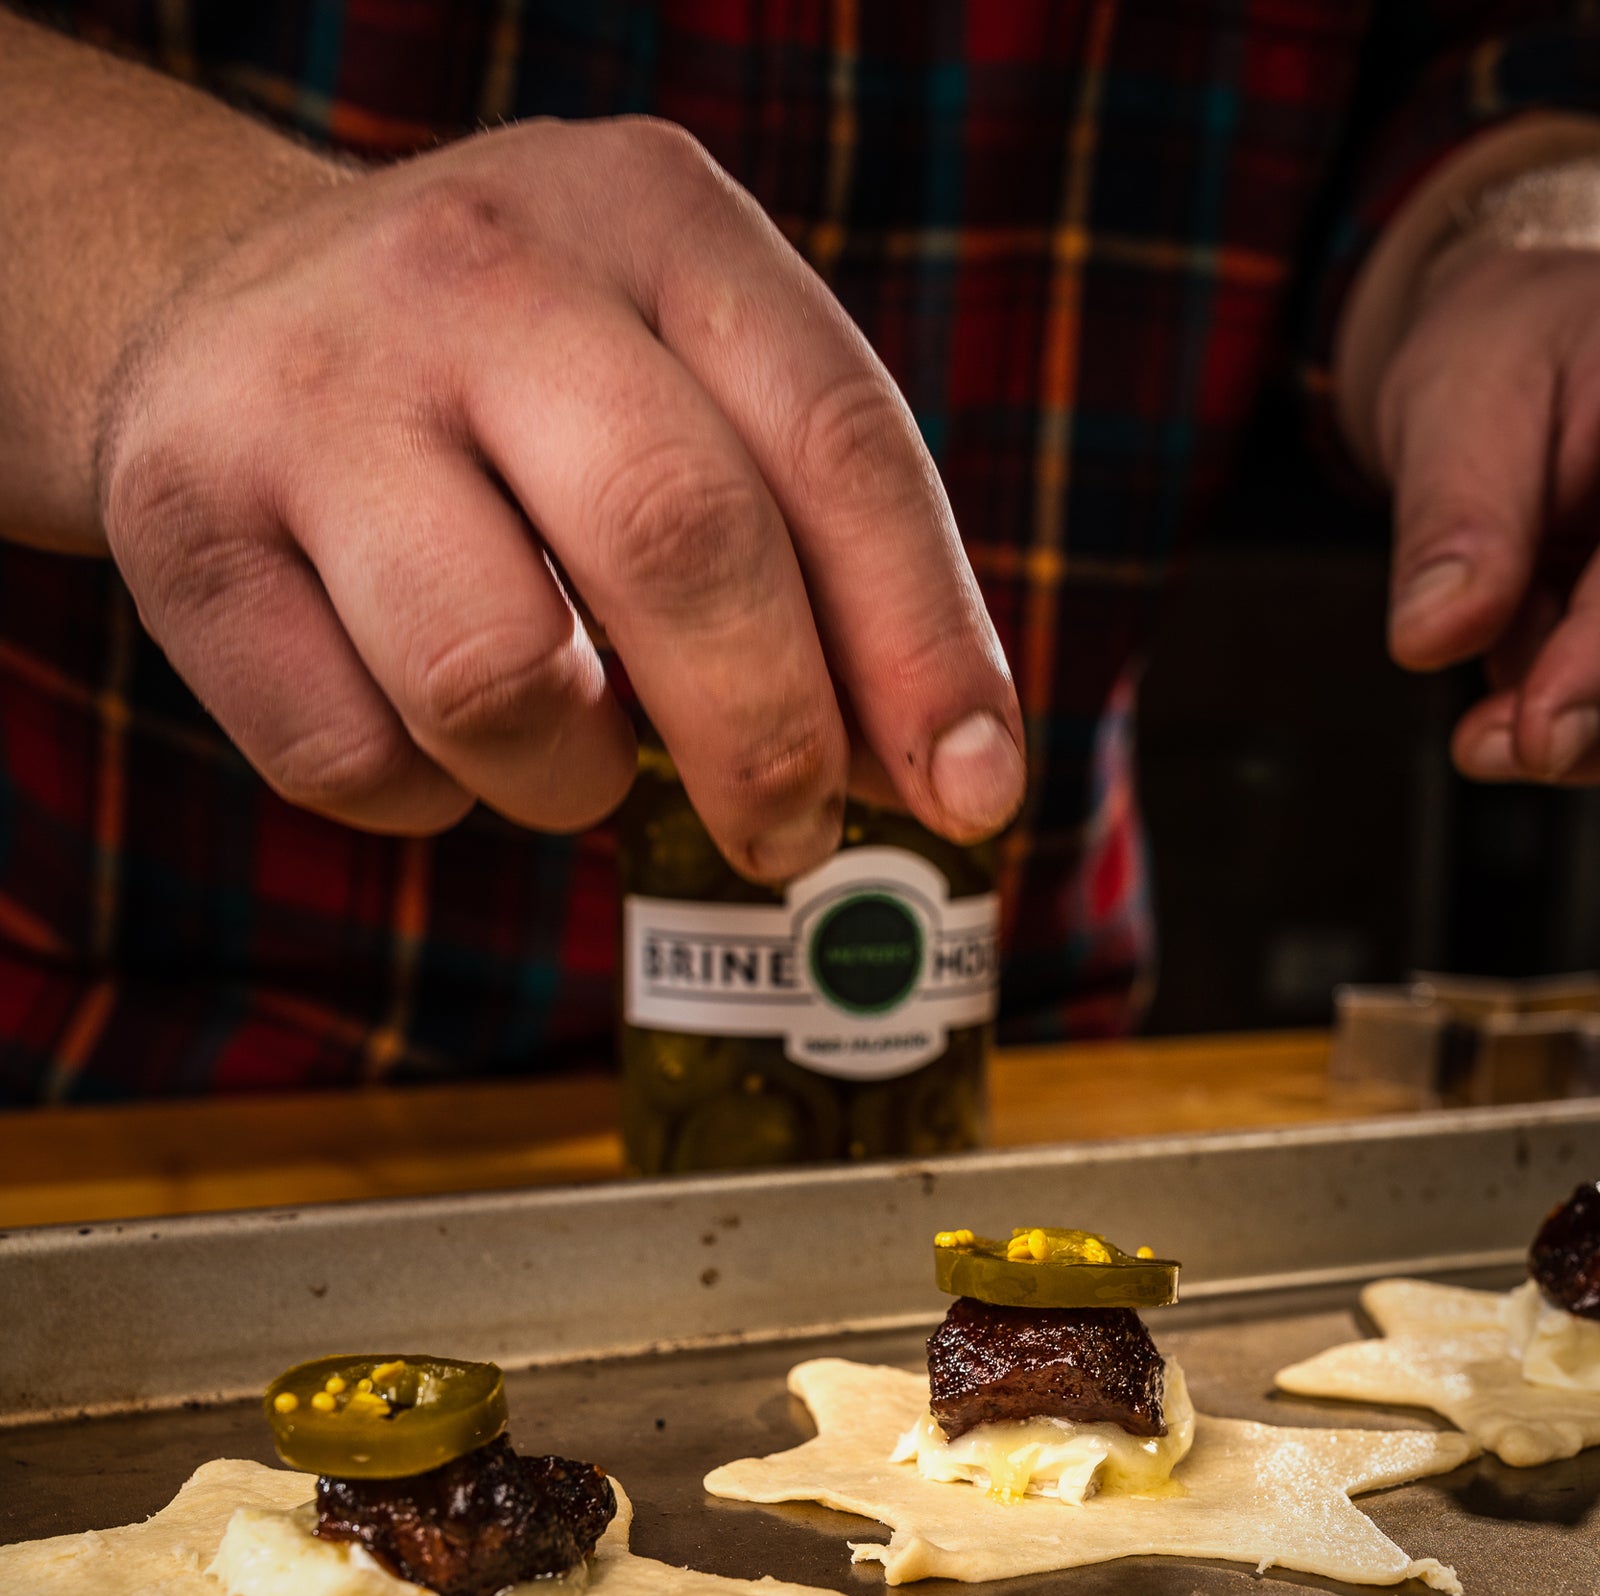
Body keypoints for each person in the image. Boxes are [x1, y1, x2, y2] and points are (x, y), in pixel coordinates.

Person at [1, 4, 1598, 1104]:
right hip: (161, 1092)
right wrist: (186, 271)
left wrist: (1524, 237)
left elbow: (1459, 69)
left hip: (1008, 1069)